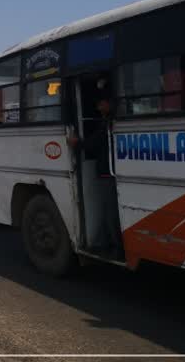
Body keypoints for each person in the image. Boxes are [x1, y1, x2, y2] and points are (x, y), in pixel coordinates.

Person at [67, 86, 124, 259]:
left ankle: (116, 248)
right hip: (111, 171)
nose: (99, 108)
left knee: (110, 213)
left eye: (101, 104)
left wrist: (76, 143)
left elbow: (94, 144)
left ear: (109, 103)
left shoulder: (109, 123)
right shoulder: (109, 121)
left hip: (108, 173)